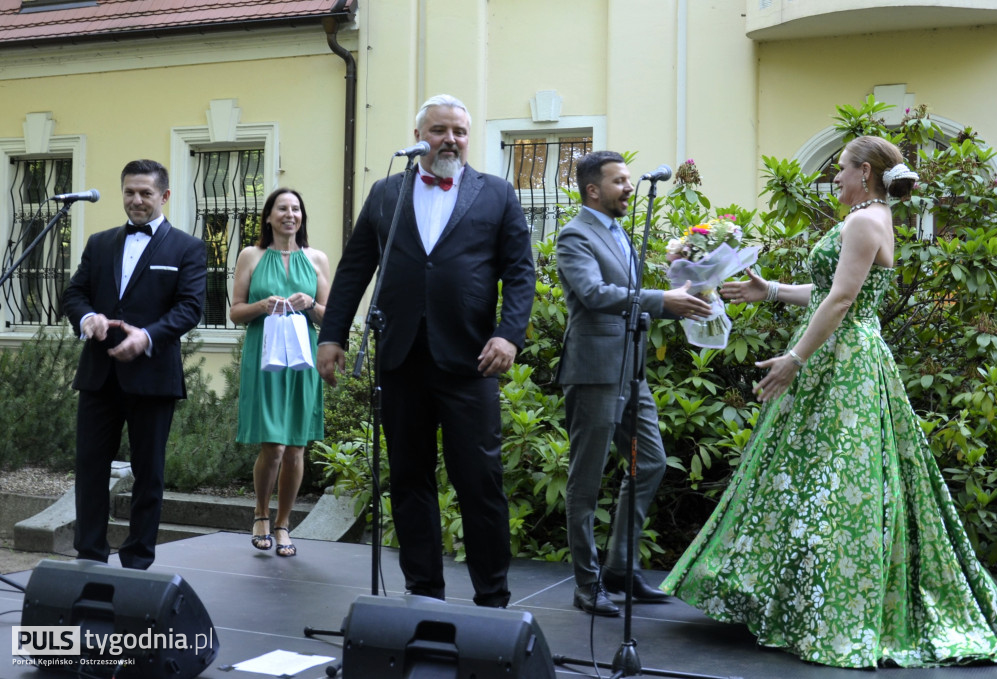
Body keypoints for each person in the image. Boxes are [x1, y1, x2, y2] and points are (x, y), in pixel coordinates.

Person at [660, 136, 997, 667]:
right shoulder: (874, 217)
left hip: (844, 360)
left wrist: (795, 359)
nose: (835, 177)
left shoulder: (861, 221)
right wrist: (774, 290)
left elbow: (842, 298)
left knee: (837, 478)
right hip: (850, 353)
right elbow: (835, 288)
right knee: (822, 476)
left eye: (842, 169)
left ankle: (833, 610)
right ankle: (799, 600)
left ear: (866, 172)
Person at [316, 94, 535, 607]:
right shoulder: (386, 192)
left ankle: (493, 597)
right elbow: (353, 271)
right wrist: (333, 336)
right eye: (439, 130)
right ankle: (424, 593)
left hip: (471, 359)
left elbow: (520, 272)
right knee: (410, 480)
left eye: (459, 130)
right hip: (402, 357)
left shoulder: (498, 193)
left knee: (480, 482)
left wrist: (509, 333)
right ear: (419, 137)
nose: (451, 140)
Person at [556, 150, 712, 616]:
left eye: (628, 179)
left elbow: (627, 290)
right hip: (594, 371)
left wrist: (682, 274)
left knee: (651, 464)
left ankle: (621, 567)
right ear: (592, 190)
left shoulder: (619, 232)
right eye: (619, 181)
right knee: (585, 483)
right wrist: (662, 301)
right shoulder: (574, 235)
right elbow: (594, 295)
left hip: (632, 369)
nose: (628, 187)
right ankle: (587, 585)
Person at [63, 159, 207, 570]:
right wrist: (87, 318)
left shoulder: (187, 247)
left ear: (163, 196)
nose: (136, 200)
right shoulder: (100, 242)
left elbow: (189, 309)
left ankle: (138, 560)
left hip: (153, 375)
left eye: (145, 193)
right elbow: (75, 295)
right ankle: (89, 554)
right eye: (129, 192)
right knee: (90, 468)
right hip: (98, 374)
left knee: (149, 474)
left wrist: (145, 337)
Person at [231, 188, 330, 558]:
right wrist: (261, 304)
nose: (290, 214)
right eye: (282, 208)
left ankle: (284, 523)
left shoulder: (317, 259)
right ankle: (260, 514)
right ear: (269, 216)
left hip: (303, 359)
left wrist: (311, 305)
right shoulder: (251, 255)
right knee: (272, 446)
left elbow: (330, 317)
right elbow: (236, 312)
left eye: (296, 208)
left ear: (302, 216)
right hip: (265, 356)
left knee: (296, 448)